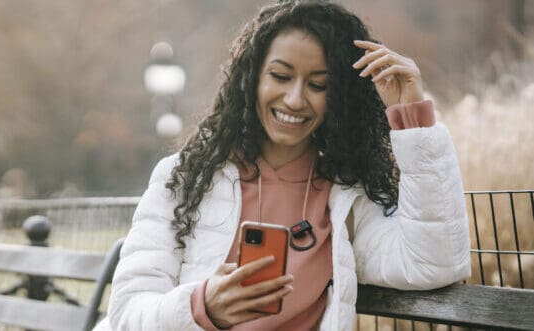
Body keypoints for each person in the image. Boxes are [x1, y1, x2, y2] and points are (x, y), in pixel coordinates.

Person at [96, 1, 471, 330]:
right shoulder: (185, 178)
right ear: (252, 80)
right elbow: (129, 311)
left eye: (318, 85)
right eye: (280, 76)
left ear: (337, 96)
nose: (294, 99)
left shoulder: (345, 201)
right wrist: (202, 307)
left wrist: (412, 118)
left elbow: (433, 264)